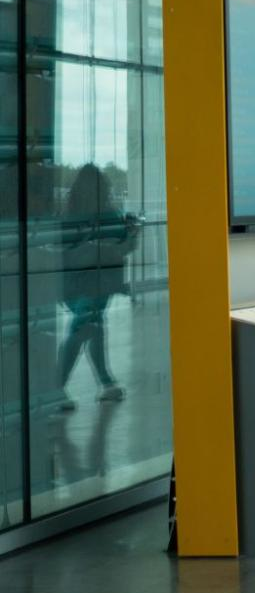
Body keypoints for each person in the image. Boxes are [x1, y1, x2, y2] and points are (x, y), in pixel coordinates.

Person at [55, 164, 136, 411]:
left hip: (87, 282)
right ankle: (61, 387)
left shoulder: (71, 217)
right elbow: (124, 247)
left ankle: (101, 382)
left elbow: (63, 252)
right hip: (94, 282)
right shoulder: (107, 215)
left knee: (92, 326)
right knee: (87, 324)